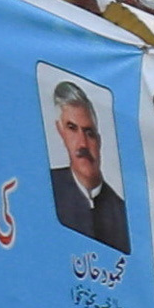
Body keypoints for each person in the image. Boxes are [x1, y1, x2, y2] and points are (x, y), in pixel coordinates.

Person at [46, 78, 132, 251]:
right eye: (72, 128)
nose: (83, 144)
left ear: (99, 141)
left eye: (89, 133)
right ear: (60, 131)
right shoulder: (46, 187)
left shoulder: (122, 213)